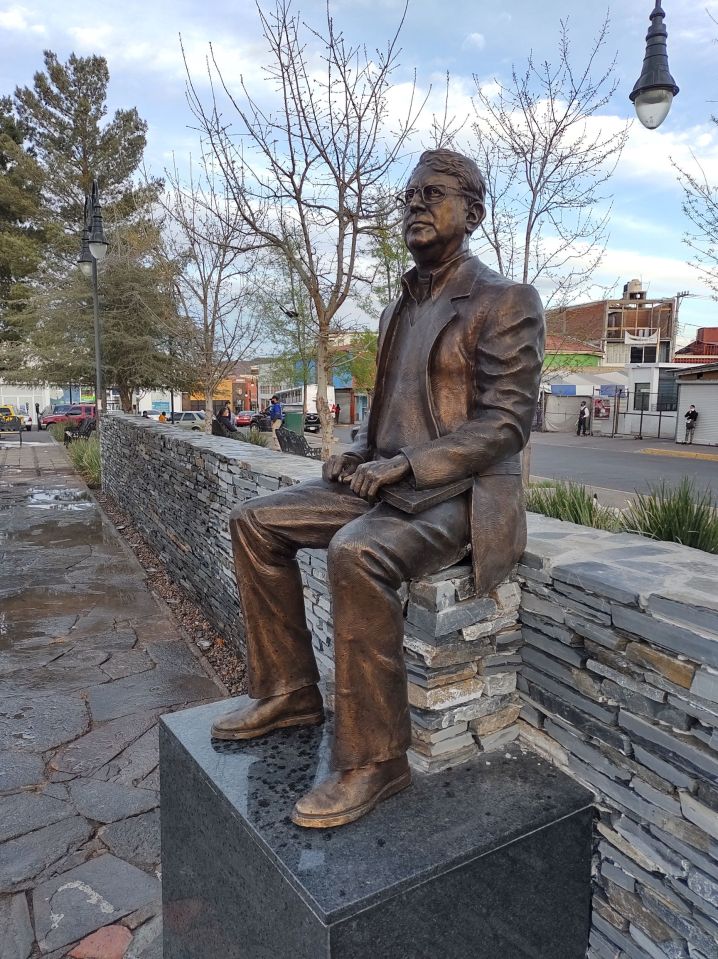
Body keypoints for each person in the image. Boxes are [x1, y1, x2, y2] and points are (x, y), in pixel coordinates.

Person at [211, 149, 544, 829]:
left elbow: (507, 423)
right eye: (409, 196)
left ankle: (377, 759)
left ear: (473, 213)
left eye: (433, 194)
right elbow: (387, 407)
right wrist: (360, 451)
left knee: (357, 553)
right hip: (383, 483)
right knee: (254, 521)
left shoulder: (504, 300)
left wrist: (411, 464)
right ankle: (290, 692)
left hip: (459, 494)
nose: (415, 204)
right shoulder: (398, 306)